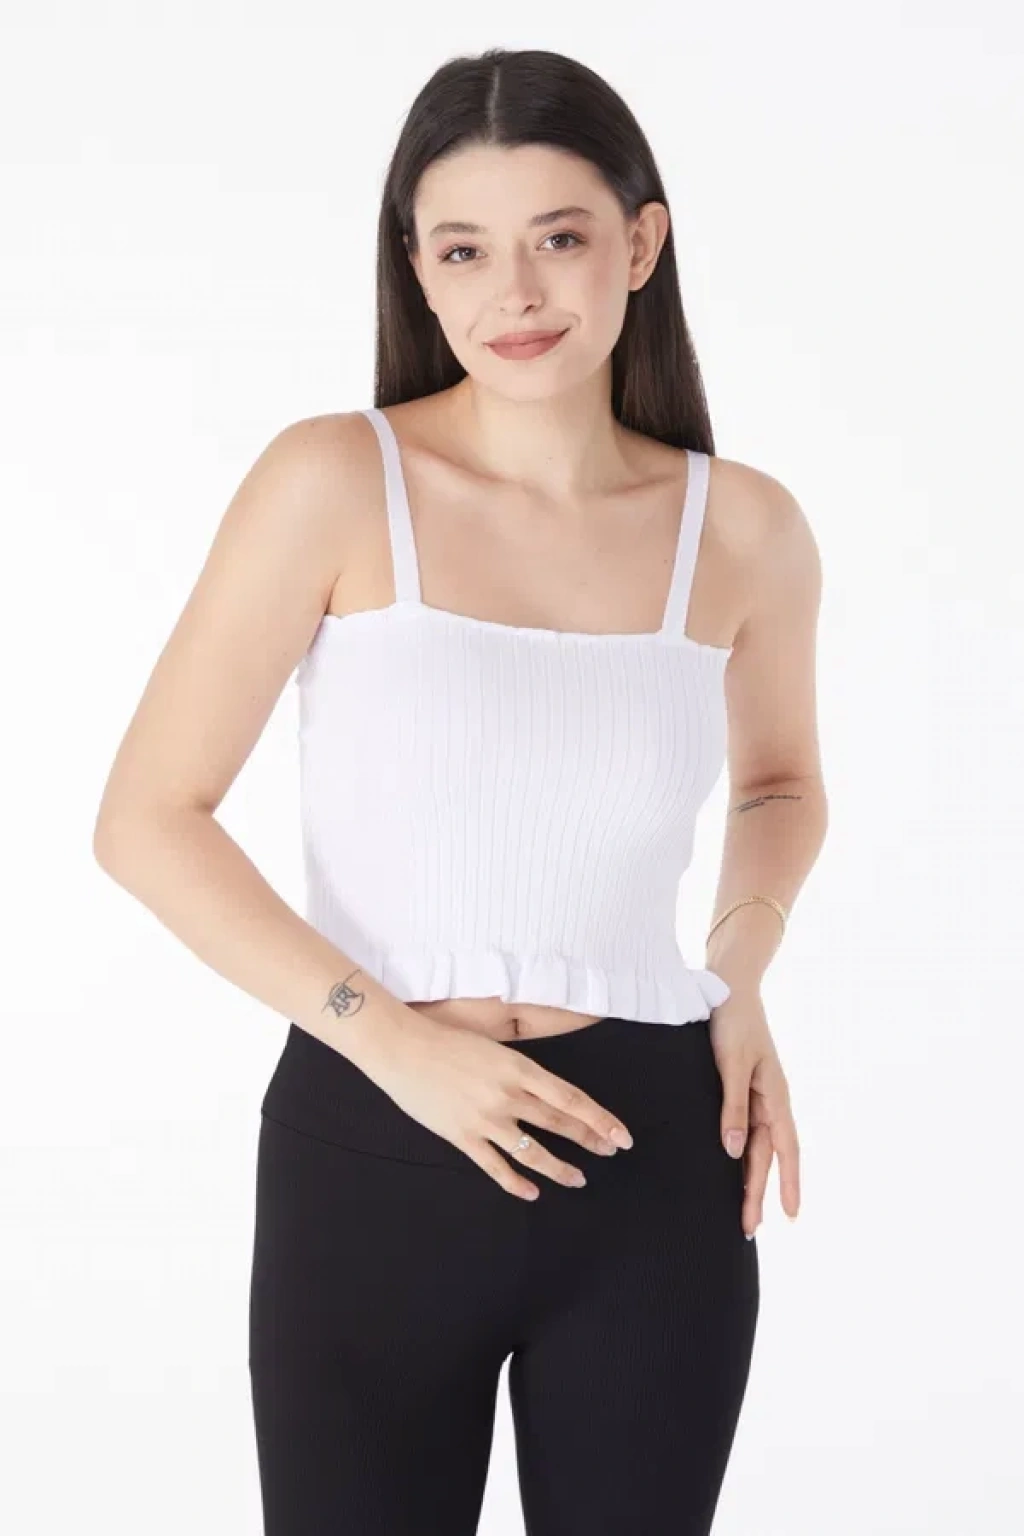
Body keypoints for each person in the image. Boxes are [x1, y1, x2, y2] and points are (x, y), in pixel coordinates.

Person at [93, 44, 826, 1536]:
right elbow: (147, 819)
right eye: (465, 250)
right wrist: (395, 1049)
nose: (518, 293)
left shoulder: (743, 529)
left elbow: (781, 784)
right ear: (417, 272)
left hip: (655, 1158)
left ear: (642, 242)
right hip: (374, 1130)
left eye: (560, 236)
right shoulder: (329, 482)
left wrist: (738, 973)